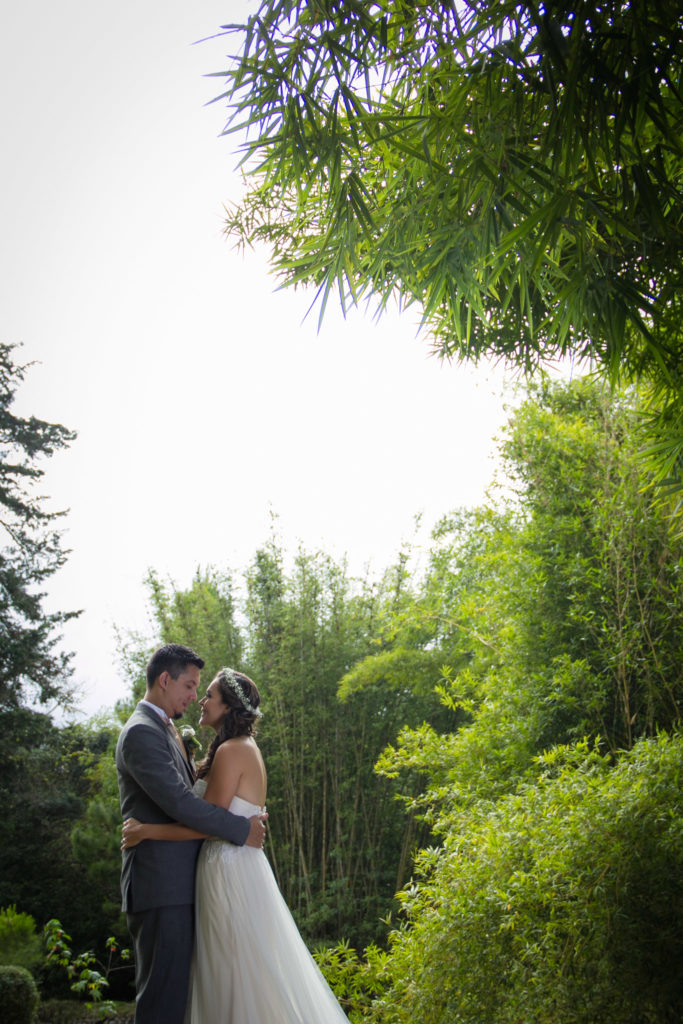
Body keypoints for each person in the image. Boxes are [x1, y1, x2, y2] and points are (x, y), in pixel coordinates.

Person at [122, 667, 349, 1023]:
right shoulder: (239, 748)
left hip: (226, 871)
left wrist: (147, 832)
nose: (201, 699)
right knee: (240, 971)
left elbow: (206, 824)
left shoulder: (231, 750)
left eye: (208, 694)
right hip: (232, 867)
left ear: (227, 707)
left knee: (234, 973)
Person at [115, 644, 267, 1024]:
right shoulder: (141, 733)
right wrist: (239, 829)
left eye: (203, 689)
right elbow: (182, 804)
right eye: (189, 685)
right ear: (165, 680)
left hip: (186, 884)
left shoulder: (165, 728)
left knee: (183, 999)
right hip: (161, 887)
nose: (195, 696)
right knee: (164, 1003)